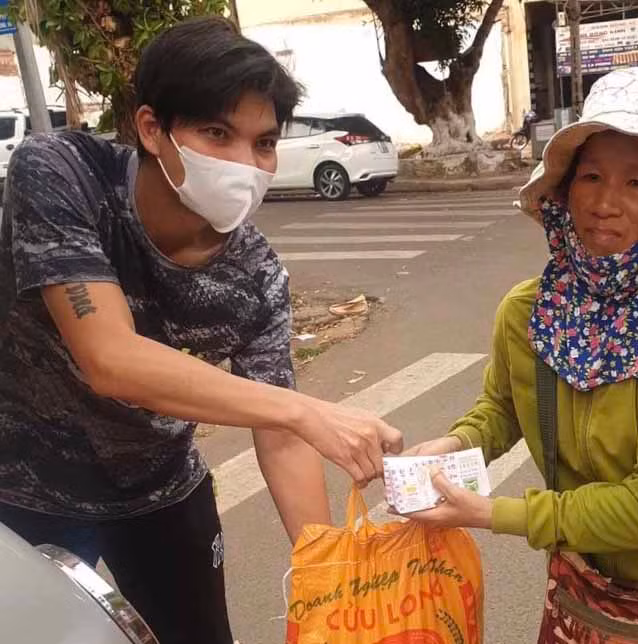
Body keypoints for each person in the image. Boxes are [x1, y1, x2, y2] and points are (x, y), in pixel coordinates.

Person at [0, 17, 402, 644]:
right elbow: (110, 358)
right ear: (152, 128)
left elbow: (284, 439)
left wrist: (334, 580)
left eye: (264, 142)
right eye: (218, 133)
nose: (246, 164)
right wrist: (302, 410)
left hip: (161, 495)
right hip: (22, 492)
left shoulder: (257, 275)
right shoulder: (63, 174)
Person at [401, 68, 638, 643]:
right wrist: (453, 445)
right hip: (585, 583)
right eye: (592, 176)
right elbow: (503, 409)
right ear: (565, 188)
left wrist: (490, 514)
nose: (605, 202)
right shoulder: (528, 310)